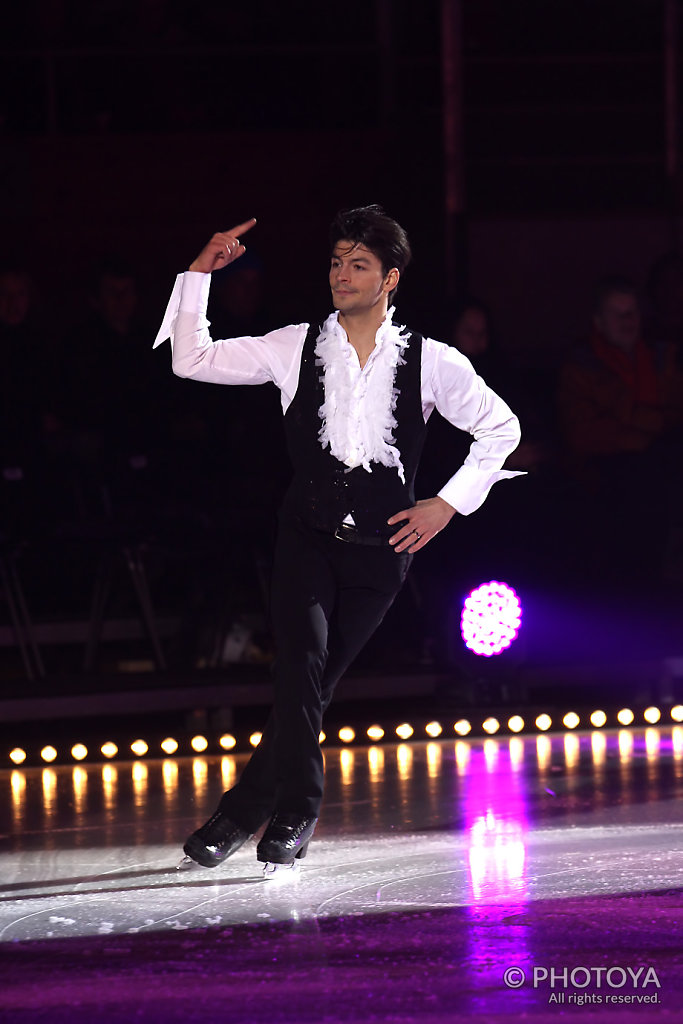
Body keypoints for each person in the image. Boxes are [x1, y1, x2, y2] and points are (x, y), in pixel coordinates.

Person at [154, 206, 523, 873]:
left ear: (390, 278)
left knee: (315, 688)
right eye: (335, 261)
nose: (341, 274)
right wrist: (196, 276)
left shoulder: (432, 362)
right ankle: (296, 810)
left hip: (382, 554)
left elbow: (502, 429)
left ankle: (237, 813)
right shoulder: (293, 344)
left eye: (358, 264)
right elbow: (191, 360)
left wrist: (445, 504)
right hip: (306, 537)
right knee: (298, 668)